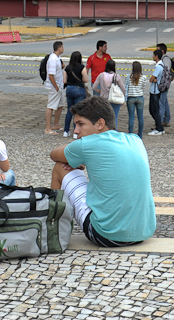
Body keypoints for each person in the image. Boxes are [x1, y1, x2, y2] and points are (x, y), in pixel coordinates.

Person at [50, 96, 156, 246]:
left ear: (100, 124)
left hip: (106, 235)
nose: (76, 131)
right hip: (143, 232)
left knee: (60, 167)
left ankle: (53, 229)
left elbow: (54, 154)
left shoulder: (87, 144)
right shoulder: (134, 139)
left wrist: (75, 158)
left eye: (80, 124)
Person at [62, 50, 88, 138]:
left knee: (69, 110)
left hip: (69, 89)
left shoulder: (67, 68)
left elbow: (64, 81)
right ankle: (75, 133)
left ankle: (66, 131)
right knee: (77, 111)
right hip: (79, 89)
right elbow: (85, 79)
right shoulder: (82, 67)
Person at [92, 59, 125, 124]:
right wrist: (123, 99)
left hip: (103, 99)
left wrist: (100, 91)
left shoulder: (101, 75)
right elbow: (123, 89)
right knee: (114, 118)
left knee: (104, 118)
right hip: (115, 98)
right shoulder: (116, 76)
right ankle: (113, 132)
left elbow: (94, 87)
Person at [44, 41, 65, 135]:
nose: (63, 48)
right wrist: (56, 87)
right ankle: (47, 128)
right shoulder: (52, 59)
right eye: (62, 47)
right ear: (59, 48)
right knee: (51, 106)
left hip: (59, 86)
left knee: (60, 105)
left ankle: (56, 124)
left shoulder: (58, 58)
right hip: (54, 86)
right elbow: (51, 75)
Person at [125, 61, 146, 137]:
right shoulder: (143, 77)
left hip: (131, 98)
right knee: (140, 116)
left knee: (131, 116)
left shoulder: (128, 77)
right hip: (140, 97)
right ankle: (140, 134)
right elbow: (143, 87)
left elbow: (126, 87)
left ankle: (130, 133)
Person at [147, 49, 165, 135]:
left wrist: (153, 79)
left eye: (153, 55)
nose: (152, 56)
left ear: (156, 56)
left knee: (155, 110)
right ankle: (159, 126)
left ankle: (159, 128)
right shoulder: (161, 64)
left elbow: (151, 79)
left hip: (155, 91)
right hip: (156, 90)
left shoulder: (158, 67)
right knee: (152, 109)